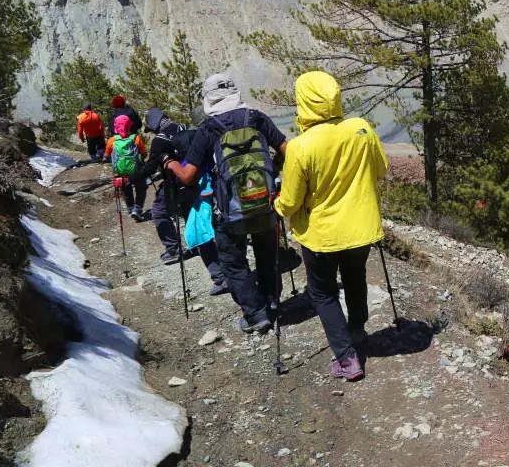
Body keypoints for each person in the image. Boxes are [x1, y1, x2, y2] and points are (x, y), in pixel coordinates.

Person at [275, 71, 388, 382]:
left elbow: (291, 201)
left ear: (304, 103)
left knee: (323, 293)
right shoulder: (361, 128)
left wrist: (277, 208)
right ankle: (358, 329)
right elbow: (381, 169)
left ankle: (347, 358)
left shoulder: (300, 146)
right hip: (362, 228)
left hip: (321, 236)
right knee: (355, 278)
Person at [164, 73, 287, 333]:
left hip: (230, 209)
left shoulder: (209, 128)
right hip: (264, 203)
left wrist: (170, 163)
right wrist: (273, 171)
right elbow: (288, 150)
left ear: (209, 99)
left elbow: (188, 177)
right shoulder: (257, 118)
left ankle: (255, 315)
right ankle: (272, 300)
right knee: (267, 254)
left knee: (233, 260)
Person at [140, 109, 227, 295]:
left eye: (150, 128)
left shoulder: (159, 141)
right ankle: (222, 270)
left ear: (154, 124)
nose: (151, 132)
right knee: (202, 224)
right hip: (202, 182)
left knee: (161, 212)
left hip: (179, 186)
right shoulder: (186, 128)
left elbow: (149, 167)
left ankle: (175, 251)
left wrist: (131, 179)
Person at [105, 114, 148, 220]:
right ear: (129, 126)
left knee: (125, 189)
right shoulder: (136, 138)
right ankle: (137, 209)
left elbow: (106, 156)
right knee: (141, 188)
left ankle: (130, 207)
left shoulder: (112, 141)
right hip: (136, 171)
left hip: (121, 173)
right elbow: (144, 153)